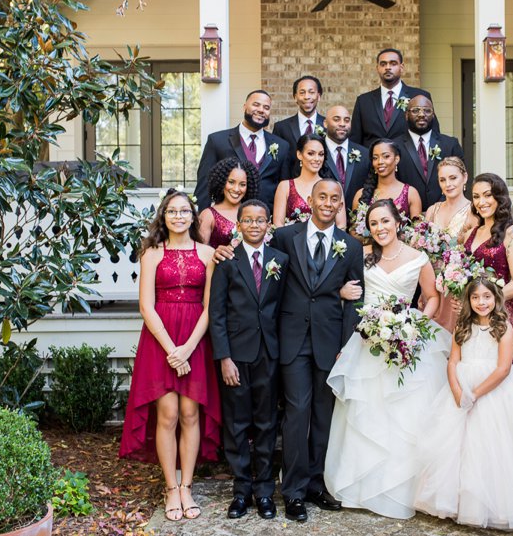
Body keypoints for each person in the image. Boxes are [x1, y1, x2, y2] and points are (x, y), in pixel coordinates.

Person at [325, 199, 451, 519]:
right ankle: (361, 487)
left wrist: (416, 324)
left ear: (398, 222)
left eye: (385, 221)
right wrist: (341, 294)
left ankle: (403, 489)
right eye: (374, 224)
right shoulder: (362, 255)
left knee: (405, 415)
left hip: (406, 338)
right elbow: (344, 288)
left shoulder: (418, 258)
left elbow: (432, 297)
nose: (380, 228)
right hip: (367, 338)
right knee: (366, 413)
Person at [413, 276, 513, 529]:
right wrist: (459, 391)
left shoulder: (504, 328)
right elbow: (452, 362)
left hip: (494, 393)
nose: (481, 302)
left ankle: (498, 506)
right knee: (457, 447)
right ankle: (459, 502)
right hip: (461, 389)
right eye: (475, 297)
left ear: (496, 299)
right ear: (468, 301)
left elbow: (503, 369)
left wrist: (475, 393)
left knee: (493, 446)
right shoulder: (463, 327)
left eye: (486, 297)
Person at [119, 189, 221, 522]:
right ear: (163, 217)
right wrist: (171, 350)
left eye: (184, 211)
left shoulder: (207, 254)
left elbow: (210, 307)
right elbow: (145, 306)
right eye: (171, 211)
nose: (178, 216)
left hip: (195, 338)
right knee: (168, 414)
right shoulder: (151, 253)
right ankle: (170, 487)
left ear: (193, 216)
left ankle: (188, 485)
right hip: (160, 340)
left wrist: (189, 348)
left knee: (191, 413)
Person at [269, 179, 365, 522]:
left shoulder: (350, 247)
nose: (328, 202)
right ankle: (293, 491)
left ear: (341, 204)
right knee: (297, 413)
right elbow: (266, 279)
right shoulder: (284, 237)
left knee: (324, 416)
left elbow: (356, 298)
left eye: (334, 198)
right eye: (322, 196)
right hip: (292, 340)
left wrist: (346, 346)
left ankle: (315, 484)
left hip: (329, 343)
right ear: (310, 199)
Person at [209, 200, 289, 521]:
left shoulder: (281, 261)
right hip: (236, 356)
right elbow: (217, 314)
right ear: (238, 225)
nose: (254, 225)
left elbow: (285, 307)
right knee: (238, 424)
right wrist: (224, 358)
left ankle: (265, 491)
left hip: (269, 355)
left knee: (267, 423)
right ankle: (242, 490)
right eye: (248, 220)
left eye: (260, 220)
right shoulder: (227, 262)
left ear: (269, 223)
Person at [464, 173, 513, 371]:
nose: (481, 202)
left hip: (502, 318)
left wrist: (486, 301)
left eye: (487, 195)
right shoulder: (471, 233)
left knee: (501, 381)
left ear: (499, 198)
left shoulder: (512, 233)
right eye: (476, 197)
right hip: (473, 319)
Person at [193, 90, 292, 210]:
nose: (261, 110)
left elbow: (284, 187)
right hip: (227, 217)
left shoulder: (282, 146)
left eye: (266, 107)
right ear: (244, 107)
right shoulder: (217, 141)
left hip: (267, 219)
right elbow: (204, 184)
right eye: (256, 104)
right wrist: (200, 218)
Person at [425, 157, 478, 332]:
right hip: (432, 288)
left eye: (453, 178)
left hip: (457, 291)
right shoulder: (433, 210)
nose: (448, 184)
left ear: (464, 177)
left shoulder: (473, 212)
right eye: (442, 179)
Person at [349, 48, 438, 149]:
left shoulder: (419, 96)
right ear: (377, 68)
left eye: (393, 63)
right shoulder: (363, 101)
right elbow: (355, 140)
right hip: (372, 162)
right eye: (383, 64)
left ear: (402, 67)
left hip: (408, 161)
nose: (388, 67)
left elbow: (434, 134)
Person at [395, 96, 465, 210]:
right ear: (406, 115)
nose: (422, 114)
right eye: (415, 110)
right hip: (407, 215)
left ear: (433, 115)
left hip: (445, 213)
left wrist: (440, 209)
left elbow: (460, 179)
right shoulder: (394, 146)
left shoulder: (451, 144)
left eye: (427, 110)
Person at [272, 134, 344, 228]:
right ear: (299, 154)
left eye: (321, 154)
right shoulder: (285, 186)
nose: (317, 159)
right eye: (311, 153)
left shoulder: (335, 186)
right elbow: (278, 225)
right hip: (292, 241)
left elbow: (341, 225)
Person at [351, 139, 421, 223]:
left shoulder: (410, 193)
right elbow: (353, 230)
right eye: (375, 158)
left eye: (386, 156)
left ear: (397, 159)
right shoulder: (361, 194)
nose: (380, 162)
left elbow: (418, 231)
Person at [199, 158, 260, 247]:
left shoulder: (255, 212)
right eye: (231, 182)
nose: (236, 189)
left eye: (242, 184)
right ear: (221, 182)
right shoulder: (208, 215)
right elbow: (200, 254)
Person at [322, 105, 370, 210]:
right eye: (336, 119)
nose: (342, 124)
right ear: (325, 123)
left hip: (356, 218)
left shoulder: (365, 154)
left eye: (347, 120)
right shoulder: (316, 152)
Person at [272, 76, 325, 151]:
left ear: (318, 96)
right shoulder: (281, 128)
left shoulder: (328, 126)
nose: (307, 97)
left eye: (311, 92)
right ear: (295, 97)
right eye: (302, 93)